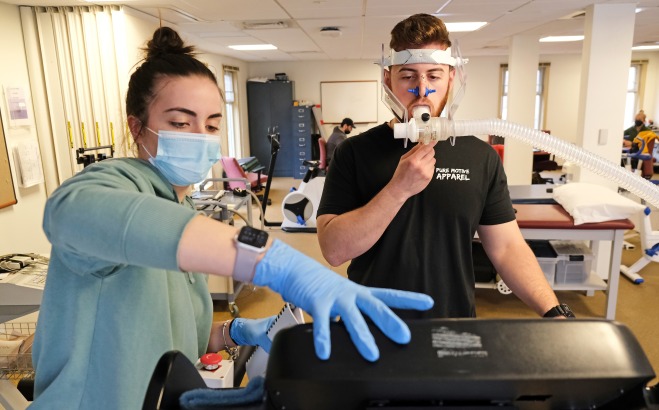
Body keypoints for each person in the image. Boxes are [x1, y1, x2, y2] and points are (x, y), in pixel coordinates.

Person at [30, 27, 433, 409]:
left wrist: (233, 333)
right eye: (179, 123)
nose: (198, 136)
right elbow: (70, 210)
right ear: (137, 128)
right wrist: (276, 262)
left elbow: (163, 333)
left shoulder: (181, 211)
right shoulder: (115, 183)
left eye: (211, 124)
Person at [316, 13, 568, 320]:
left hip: (453, 324)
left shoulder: (480, 156)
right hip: (369, 323)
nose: (421, 91)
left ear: (451, 78)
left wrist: (553, 310)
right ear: (387, 79)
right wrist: (398, 189)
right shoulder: (353, 152)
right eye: (408, 76)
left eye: (433, 76)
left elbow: (507, 248)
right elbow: (334, 250)